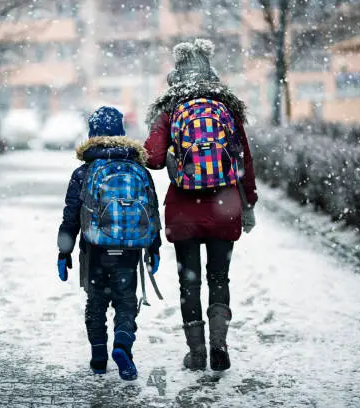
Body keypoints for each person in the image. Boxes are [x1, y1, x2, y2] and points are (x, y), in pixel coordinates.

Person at [143, 39, 258, 372]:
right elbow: (244, 162)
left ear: (176, 74)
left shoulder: (170, 109)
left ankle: (197, 353)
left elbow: (150, 156)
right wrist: (248, 201)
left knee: (189, 282)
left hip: (184, 210)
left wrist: (170, 156)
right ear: (212, 72)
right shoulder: (226, 108)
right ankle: (220, 346)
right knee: (219, 278)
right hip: (225, 206)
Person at [57, 106, 161, 380]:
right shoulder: (138, 168)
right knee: (126, 301)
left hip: (95, 251)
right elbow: (152, 211)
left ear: (92, 134)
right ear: (121, 133)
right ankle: (123, 345)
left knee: (97, 302)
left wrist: (63, 252)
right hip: (128, 250)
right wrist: (154, 247)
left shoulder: (84, 172)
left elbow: (71, 216)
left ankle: (99, 355)